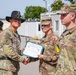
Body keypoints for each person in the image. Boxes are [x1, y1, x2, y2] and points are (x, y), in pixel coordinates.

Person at [0, 10, 30, 75]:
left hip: (13, 67)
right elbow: (9, 52)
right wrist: (22, 59)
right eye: (15, 19)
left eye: (19, 20)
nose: (18, 21)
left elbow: (15, 50)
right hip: (6, 69)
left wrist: (24, 52)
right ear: (10, 20)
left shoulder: (16, 35)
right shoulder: (6, 33)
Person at [55, 4, 76, 75]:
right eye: (60, 15)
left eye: (63, 15)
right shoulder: (63, 34)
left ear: (72, 16)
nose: (61, 17)